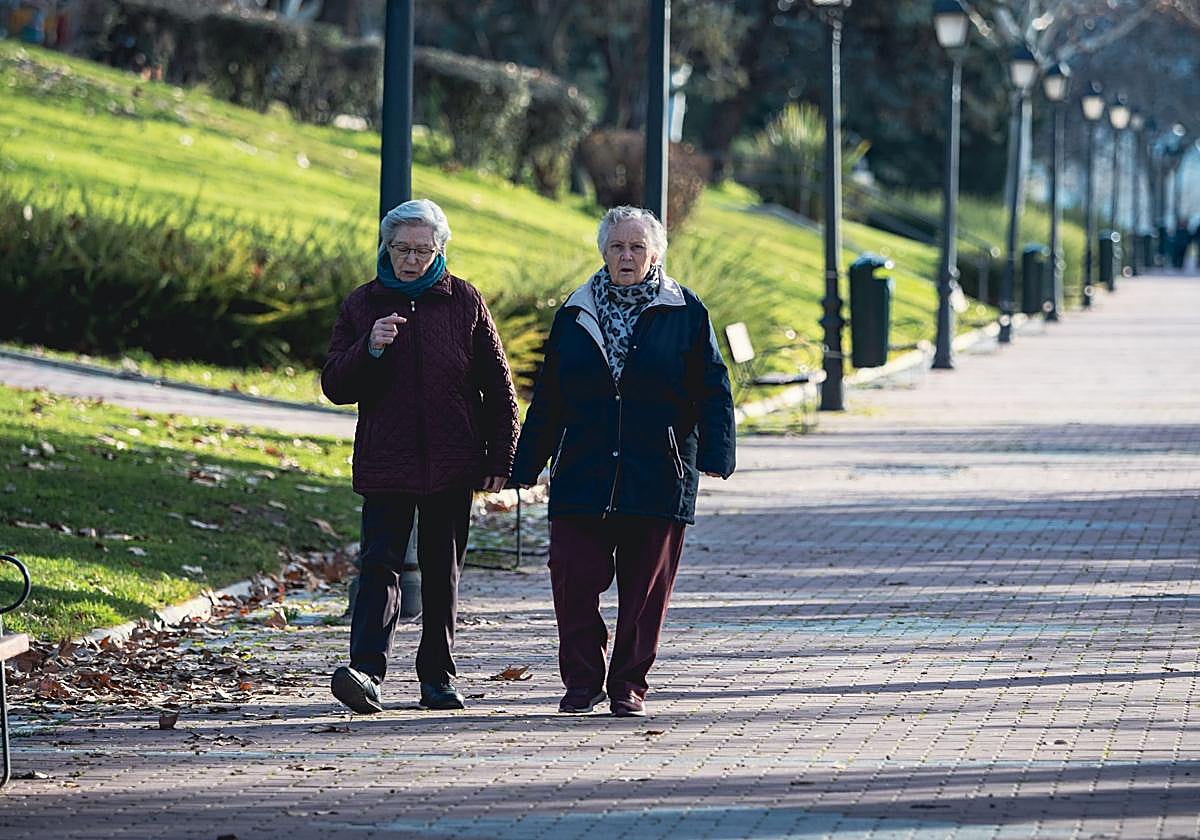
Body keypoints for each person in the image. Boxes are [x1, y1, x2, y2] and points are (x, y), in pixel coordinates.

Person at [509, 205, 736, 717]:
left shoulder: (686, 311)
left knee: (645, 590)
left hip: (660, 469)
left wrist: (718, 452)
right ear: (603, 253)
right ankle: (583, 679)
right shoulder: (575, 311)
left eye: (637, 247)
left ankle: (628, 682)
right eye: (617, 247)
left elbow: (713, 388)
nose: (626, 255)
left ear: (655, 253)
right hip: (583, 470)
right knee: (572, 575)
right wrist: (525, 462)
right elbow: (550, 394)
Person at [322, 199, 519, 713]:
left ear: (440, 251)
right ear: (386, 249)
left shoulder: (464, 302)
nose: (411, 259)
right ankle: (366, 673)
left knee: (441, 571)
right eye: (401, 249)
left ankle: (438, 677)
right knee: (378, 567)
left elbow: (499, 388)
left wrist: (502, 456)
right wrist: (370, 347)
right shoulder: (363, 304)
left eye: (421, 250)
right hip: (387, 459)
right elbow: (335, 385)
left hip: (453, 460)